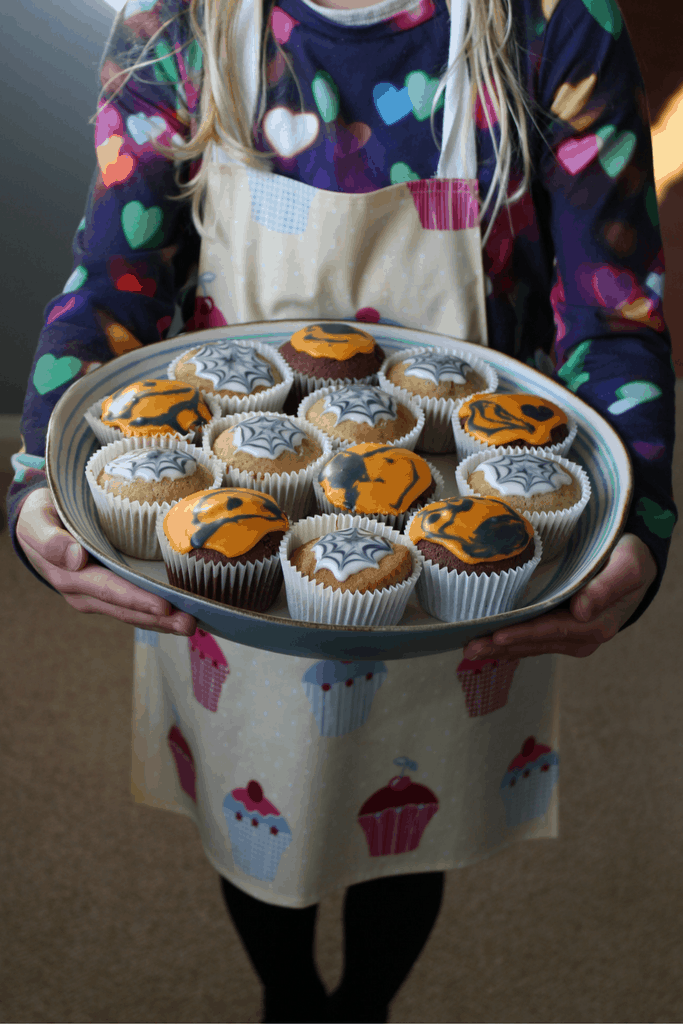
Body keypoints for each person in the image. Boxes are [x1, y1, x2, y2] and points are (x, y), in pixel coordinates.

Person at [8, 0, 677, 1020]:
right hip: (224, 535)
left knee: (408, 809)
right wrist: (35, 482)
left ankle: (365, 1001)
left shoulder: (552, 26)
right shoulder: (181, 23)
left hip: (462, 547)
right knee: (254, 802)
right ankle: (286, 993)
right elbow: (112, 285)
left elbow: (611, 305)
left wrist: (638, 512)